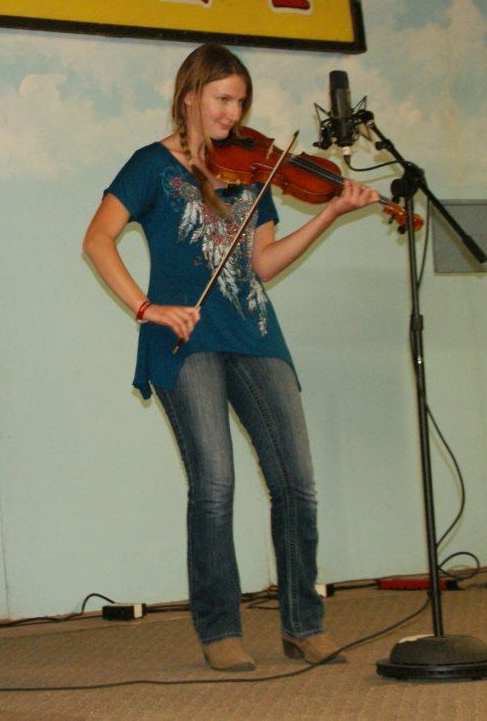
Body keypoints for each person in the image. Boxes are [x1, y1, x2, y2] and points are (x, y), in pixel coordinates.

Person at [81, 43, 377, 672]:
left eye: (240, 101)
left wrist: (328, 213)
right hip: (184, 342)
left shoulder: (253, 171)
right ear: (190, 96)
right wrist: (145, 308)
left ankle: (304, 624)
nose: (233, 112)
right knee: (214, 485)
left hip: (255, 335)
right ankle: (219, 631)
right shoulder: (150, 165)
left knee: (297, 484)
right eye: (223, 99)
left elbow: (262, 264)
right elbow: (97, 239)